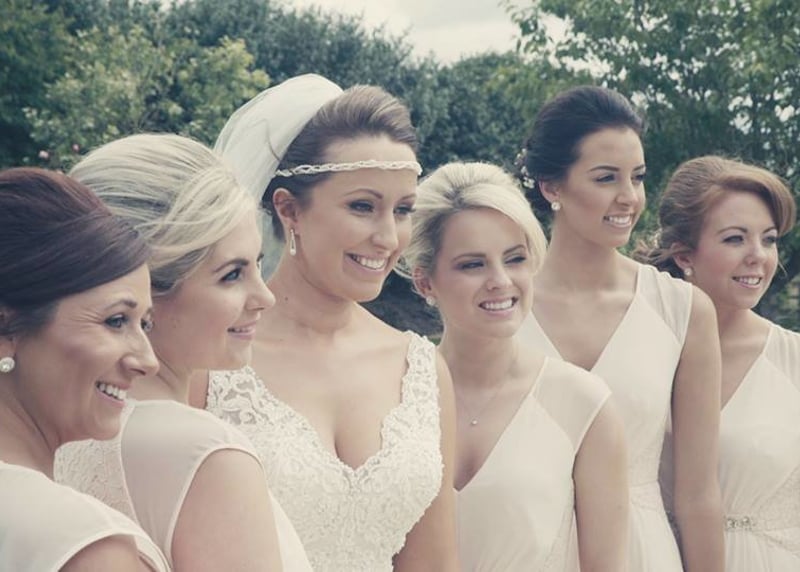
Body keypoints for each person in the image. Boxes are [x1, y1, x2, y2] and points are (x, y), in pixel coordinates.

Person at [192, 74, 459, 571]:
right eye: (362, 206)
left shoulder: (421, 370)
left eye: (403, 210)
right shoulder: (210, 362)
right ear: (289, 209)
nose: (388, 237)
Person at [55, 134, 311, 571]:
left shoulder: (49, 433)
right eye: (232, 275)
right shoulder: (207, 454)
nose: (264, 297)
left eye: (257, 264)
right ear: (144, 290)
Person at [514, 85, 724, 571]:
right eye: (606, 177)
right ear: (551, 186)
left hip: (643, 553)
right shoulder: (500, 304)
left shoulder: (682, 310)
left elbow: (698, 495)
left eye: (638, 177)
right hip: (525, 549)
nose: (629, 197)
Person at [403, 161, 629, 570]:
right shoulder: (393, 397)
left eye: (515, 259)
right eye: (472, 264)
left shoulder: (584, 404)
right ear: (424, 282)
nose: (500, 281)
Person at [0, 168, 169, 571]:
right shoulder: (81, 543)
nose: (148, 361)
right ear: (6, 330)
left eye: (145, 324)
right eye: (116, 321)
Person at [639, 155, 799, 571]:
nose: (759, 256)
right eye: (735, 239)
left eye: (769, 239)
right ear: (684, 255)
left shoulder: (794, 361)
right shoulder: (638, 356)